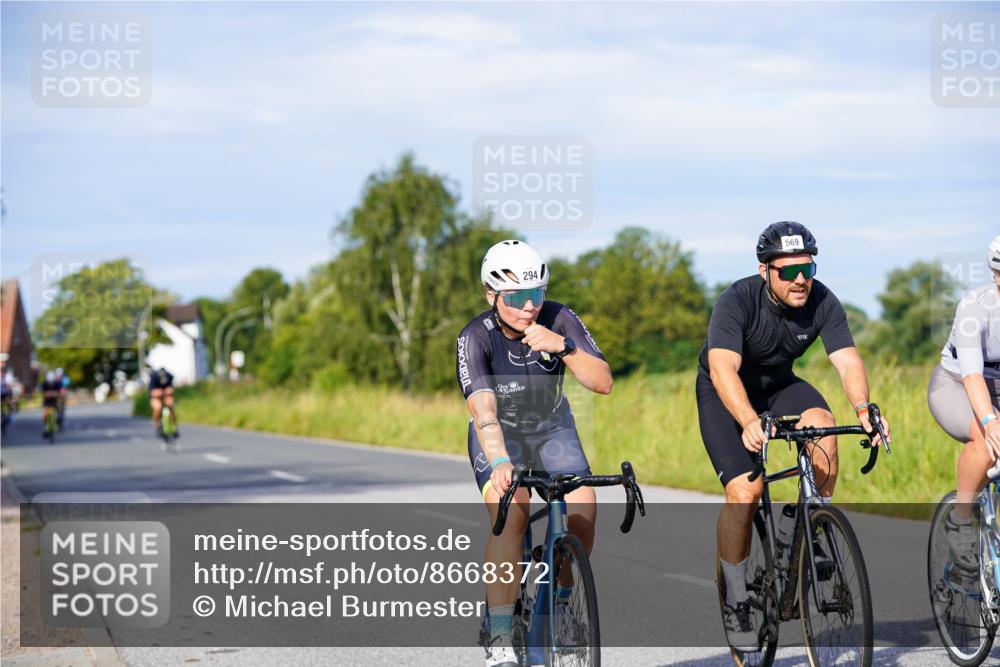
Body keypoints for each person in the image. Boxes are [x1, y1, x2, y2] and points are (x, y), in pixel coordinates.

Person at [697, 221, 891, 649]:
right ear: (765, 270)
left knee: (823, 424)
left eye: (808, 268)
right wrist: (748, 420)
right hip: (726, 391)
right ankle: (736, 596)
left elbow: (847, 361)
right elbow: (722, 369)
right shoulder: (737, 301)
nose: (801, 279)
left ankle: (802, 530)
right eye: (788, 272)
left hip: (780, 384)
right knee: (746, 492)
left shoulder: (821, 299)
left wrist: (863, 409)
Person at [456, 240, 612, 667]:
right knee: (513, 511)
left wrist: (563, 346)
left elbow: (603, 382)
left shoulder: (559, 318)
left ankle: (562, 606)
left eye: (536, 295)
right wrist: (502, 461)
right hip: (500, 434)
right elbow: (483, 410)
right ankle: (501, 633)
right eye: (516, 298)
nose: (528, 306)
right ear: (491, 295)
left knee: (583, 509)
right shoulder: (475, 337)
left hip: (552, 427)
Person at [928, 235, 1000, 574]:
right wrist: (989, 421)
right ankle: (960, 521)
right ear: (994, 274)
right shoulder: (975, 307)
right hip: (955, 385)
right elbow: (972, 377)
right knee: (988, 443)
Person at [148, 367, 177, 436]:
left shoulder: (169, 376)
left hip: (166, 395)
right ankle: (157, 425)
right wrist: (158, 392)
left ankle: (174, 426)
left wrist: (169, 390)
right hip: (156, 396)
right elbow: (152, 392)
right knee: (158, 408)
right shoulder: (154, 377)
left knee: (170, 405)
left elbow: (171, 388)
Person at [39, 371, 63, 437]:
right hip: (46, 402)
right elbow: (44, 394)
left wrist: (51, 394)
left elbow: (60, 393)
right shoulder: (44, 384)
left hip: (54, 402)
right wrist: (53, 393)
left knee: (58, 412)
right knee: (45, 414)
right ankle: (46, 427)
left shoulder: (57, 384)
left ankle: (57, 423)